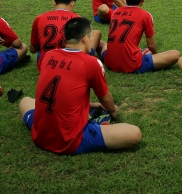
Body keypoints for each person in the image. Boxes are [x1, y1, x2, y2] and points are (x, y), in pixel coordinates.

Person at [20, 18, 142, 154]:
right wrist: (113, 110)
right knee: (134, 133)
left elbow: (61, 91)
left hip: (40, 135)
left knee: (24, 101)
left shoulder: (49, 56)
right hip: (71, 140)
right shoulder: (91, 63)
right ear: (85, 39)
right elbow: (105, 97)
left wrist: (88, 105)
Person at [102, 0, 180, 73]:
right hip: (131, 64)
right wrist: (156, 56)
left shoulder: (116, 11)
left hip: (110, 61)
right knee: (176, 54)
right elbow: (151, 45)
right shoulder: (145, 15)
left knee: (102, 43)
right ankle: (141, 54)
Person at [30, 0, 104, 70]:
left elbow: (32, 49)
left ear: (54, 2)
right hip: (71, 65)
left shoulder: (39, 18)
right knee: (96, 33)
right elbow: (85, 47)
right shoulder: (78, 19)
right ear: (72, 3)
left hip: (46, 65)